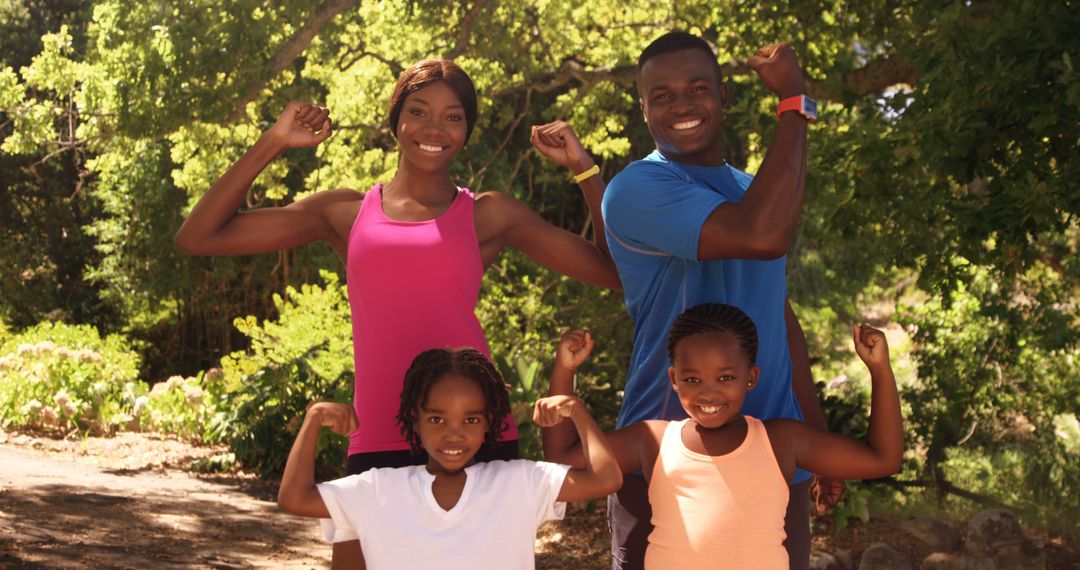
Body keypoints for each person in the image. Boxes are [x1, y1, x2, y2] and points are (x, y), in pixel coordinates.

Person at [173, 59, 618, 567]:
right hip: (378, 429)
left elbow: (614, 269)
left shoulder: (488, 214)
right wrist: (275, 141)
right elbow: (199, 236)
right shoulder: (343, 213)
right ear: (395, 119)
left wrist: (584, 170)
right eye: (419, 111)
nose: (434, 129)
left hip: (471, 431)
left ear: (468, 129)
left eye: (453, 117)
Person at [595, 32, 835, 569]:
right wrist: (795, 100)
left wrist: (816, 435)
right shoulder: (638, 190)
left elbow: (779, 316)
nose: (681, 104)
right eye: (662, 96)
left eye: (697, 88)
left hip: (774, 457)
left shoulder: (756, 191)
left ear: (724, 96)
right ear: (643, 109)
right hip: (664, 461)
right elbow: (763, 235)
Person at [539, 304, 903, 569]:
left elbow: (883, 459)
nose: (708, 394)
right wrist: (565, 371)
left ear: (752, 378)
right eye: (693, 379)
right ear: (673, 380)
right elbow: (564, 459)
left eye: (725, 378)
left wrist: (880, 370)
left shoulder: (780, 441)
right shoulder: (653, 441)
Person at [277, 346, 623, 570]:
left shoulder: (520, 481)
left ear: (488, 422)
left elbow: (606, 479)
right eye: (437, 419)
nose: (453, 434)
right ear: (415, 419)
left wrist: (576, 410)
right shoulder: (379, 488)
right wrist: (313, 419)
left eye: (470, 420)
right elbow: (294, 498)